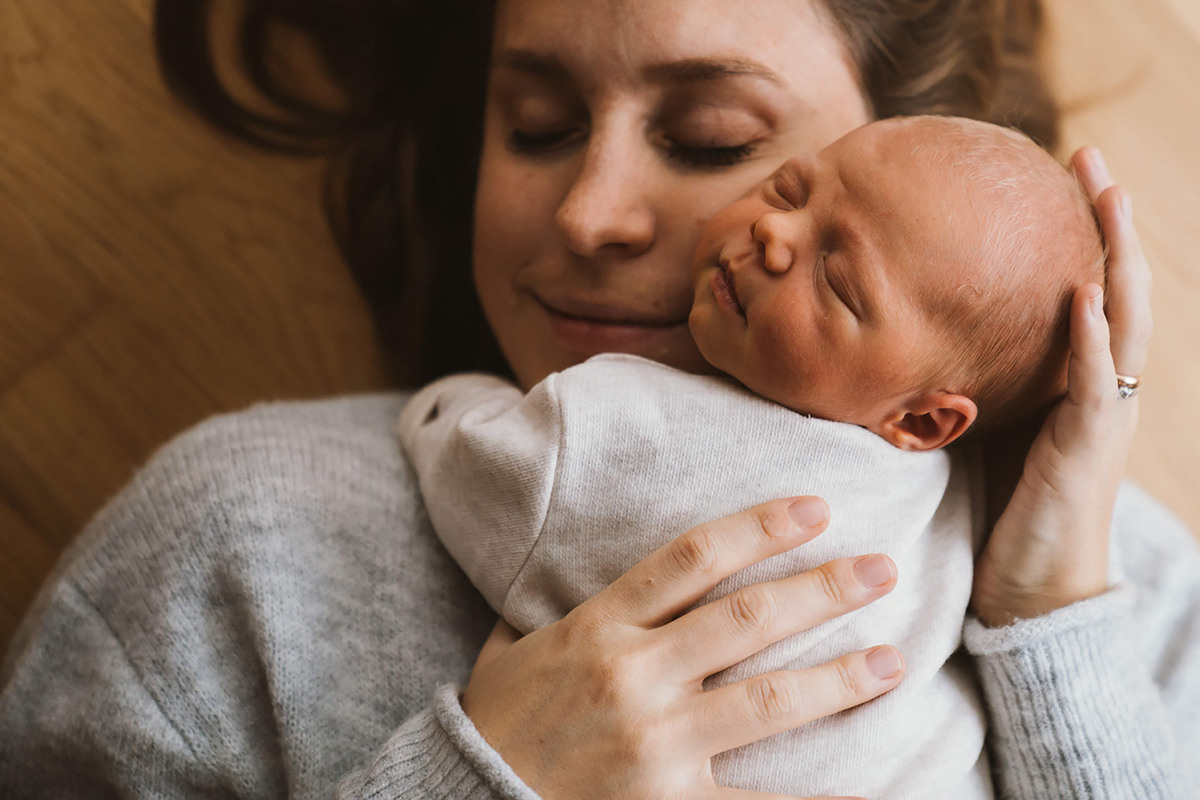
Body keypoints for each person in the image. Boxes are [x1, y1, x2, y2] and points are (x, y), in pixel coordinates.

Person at [0, 1, 1195, 798]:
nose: (588, 212)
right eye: (539, 126)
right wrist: (476, 777)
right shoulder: (238, 535)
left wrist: (1049, 607)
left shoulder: (1119, 600)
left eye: (708, 137)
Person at [396, 115, 1104, 798]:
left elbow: (483, 473)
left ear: (922, 419)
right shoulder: (966, 491)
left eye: (836, 281)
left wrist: (450, 401)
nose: (773, 231)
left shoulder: (621, 429)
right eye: (788, 189)